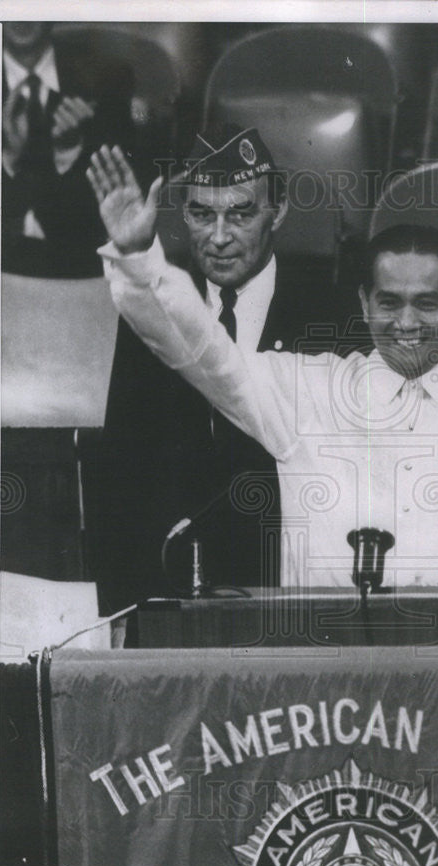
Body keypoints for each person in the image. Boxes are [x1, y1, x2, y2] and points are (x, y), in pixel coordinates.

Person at [89, 144, 438, 590]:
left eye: (427, 303)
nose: (406, 323)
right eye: (389, 302)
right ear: (363, 302)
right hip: (314, 663)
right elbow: (200, 349)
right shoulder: (306, 388)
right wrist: (139, 257)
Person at [94, 124, 349, 613]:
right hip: (175, 593)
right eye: (200, 214)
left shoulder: (331, 317)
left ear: (279, 211)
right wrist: (122, 613)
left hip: (291, 595)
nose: (218, 237)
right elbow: (123, 477)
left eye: (241, 213)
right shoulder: (151, 315)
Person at [1, 21, 134, 277]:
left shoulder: (107, 78)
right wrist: (9, 158)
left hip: (79, 273)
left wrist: (69, 152)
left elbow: (113, 216)